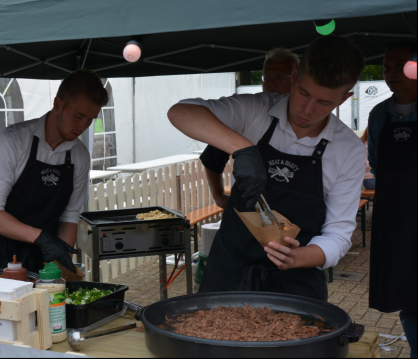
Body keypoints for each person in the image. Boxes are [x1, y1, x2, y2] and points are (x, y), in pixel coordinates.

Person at [167, 35, 366, 301]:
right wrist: (243, 149)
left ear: (345, 98)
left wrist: (298, 256)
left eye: (324, 103)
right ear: (294, 74)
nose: (307, 110)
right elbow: (181, 112)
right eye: (303, 93)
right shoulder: (255, 110)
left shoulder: (348, 149)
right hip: (229, 271)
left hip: (296, 281)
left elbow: (338, 235)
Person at [0, 69, 108, 272]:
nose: (83, 126)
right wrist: (41, 237)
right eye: (78, 116)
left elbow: (69, 217)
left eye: (90, 119)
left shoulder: (80, 156)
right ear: (58, 104)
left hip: (44, 254)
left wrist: (60, 266)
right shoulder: (12, 141)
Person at [202, 47, 300, 209]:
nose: (271, 83)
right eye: (267, 77)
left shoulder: (308, 117)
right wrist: (219, 196)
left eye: (279, 77)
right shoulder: (246, 114)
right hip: (248, 212)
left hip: (294, 211)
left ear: (296, 77)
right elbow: (212, 158)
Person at [367, 41, 416, 358]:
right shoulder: (378, 114)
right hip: (395, 216)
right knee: (406, 290)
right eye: (386, 67)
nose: (390, 73)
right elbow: (375, 159)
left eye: (399, 65)